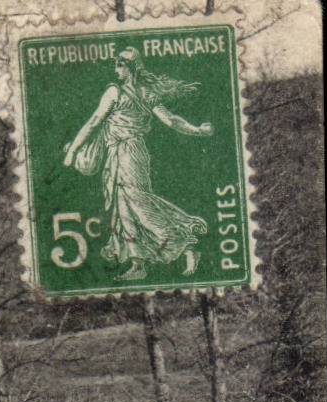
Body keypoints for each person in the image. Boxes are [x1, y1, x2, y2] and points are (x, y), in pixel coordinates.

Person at [63, 47, 214, 280]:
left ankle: (185, 243)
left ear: (131, 67)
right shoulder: (143, 93)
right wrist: (198, 131)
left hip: (127, 153)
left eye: (120, 65)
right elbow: (171, 120)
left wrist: (72, 150)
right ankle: (138, 263)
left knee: (137, 203)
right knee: (124, 206)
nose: (116, 70)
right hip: (125, 153)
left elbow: (94, 122)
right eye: (115, 65)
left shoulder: (117, 93)